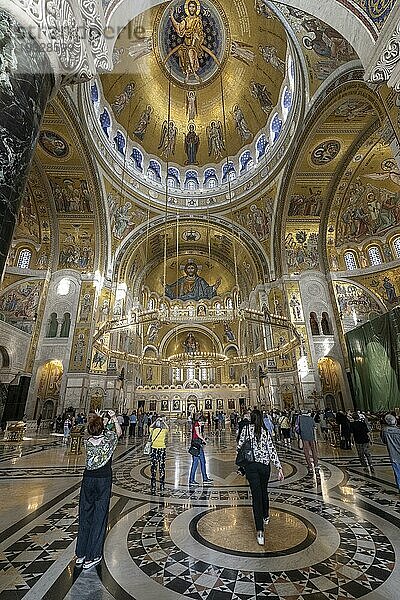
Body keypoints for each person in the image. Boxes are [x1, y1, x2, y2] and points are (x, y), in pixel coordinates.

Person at [75, 411, 122, 569]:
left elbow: (89, 431)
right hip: (103, 481)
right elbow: (118, 432)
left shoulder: (87, 442)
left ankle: (80, 554)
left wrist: (99, 419)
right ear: (103, 428)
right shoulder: (109, 442)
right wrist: (113, 419)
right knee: (99, 517)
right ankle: (92, 556)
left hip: (88, 480)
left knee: (85, 515)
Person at [237, 409, 284, 545]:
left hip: (251, 466)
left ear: (251, 418)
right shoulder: (265, 431)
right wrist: (279, 467)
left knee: (256, 496)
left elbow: (240, 447)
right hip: (264, 467)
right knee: (264, 491)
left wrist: (240, 465)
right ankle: (266, 515)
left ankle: (260, 532)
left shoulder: (246, 430)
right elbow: (272, 450)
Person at [189, 412, 213, 486]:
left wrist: (203, 439)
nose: (203, 424)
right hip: (196, 446)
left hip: (199, 445)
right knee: (195, 463)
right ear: (200, 420)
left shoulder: (198, 425)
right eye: (203, 422)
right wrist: (204, 440)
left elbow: (198, 434)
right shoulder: (196, 424)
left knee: (203, 462)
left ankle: (205, 478)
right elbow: (198, 434)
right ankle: (191, 480)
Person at [149, 416, 168, 493]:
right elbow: (167, 427)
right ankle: (162, 484)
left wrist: (156, 421)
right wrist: (163, 422)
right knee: (162, 466)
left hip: (154, 449)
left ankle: (153, 485)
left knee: (153, 466)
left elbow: (151, 426)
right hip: (162, 449)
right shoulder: (163, 431)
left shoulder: (152, 430)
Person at [381, 414, 400, 490]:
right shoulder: (398, 431)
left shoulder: (384, 430)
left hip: (393, 455)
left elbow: (384, 441)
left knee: (398, 474)